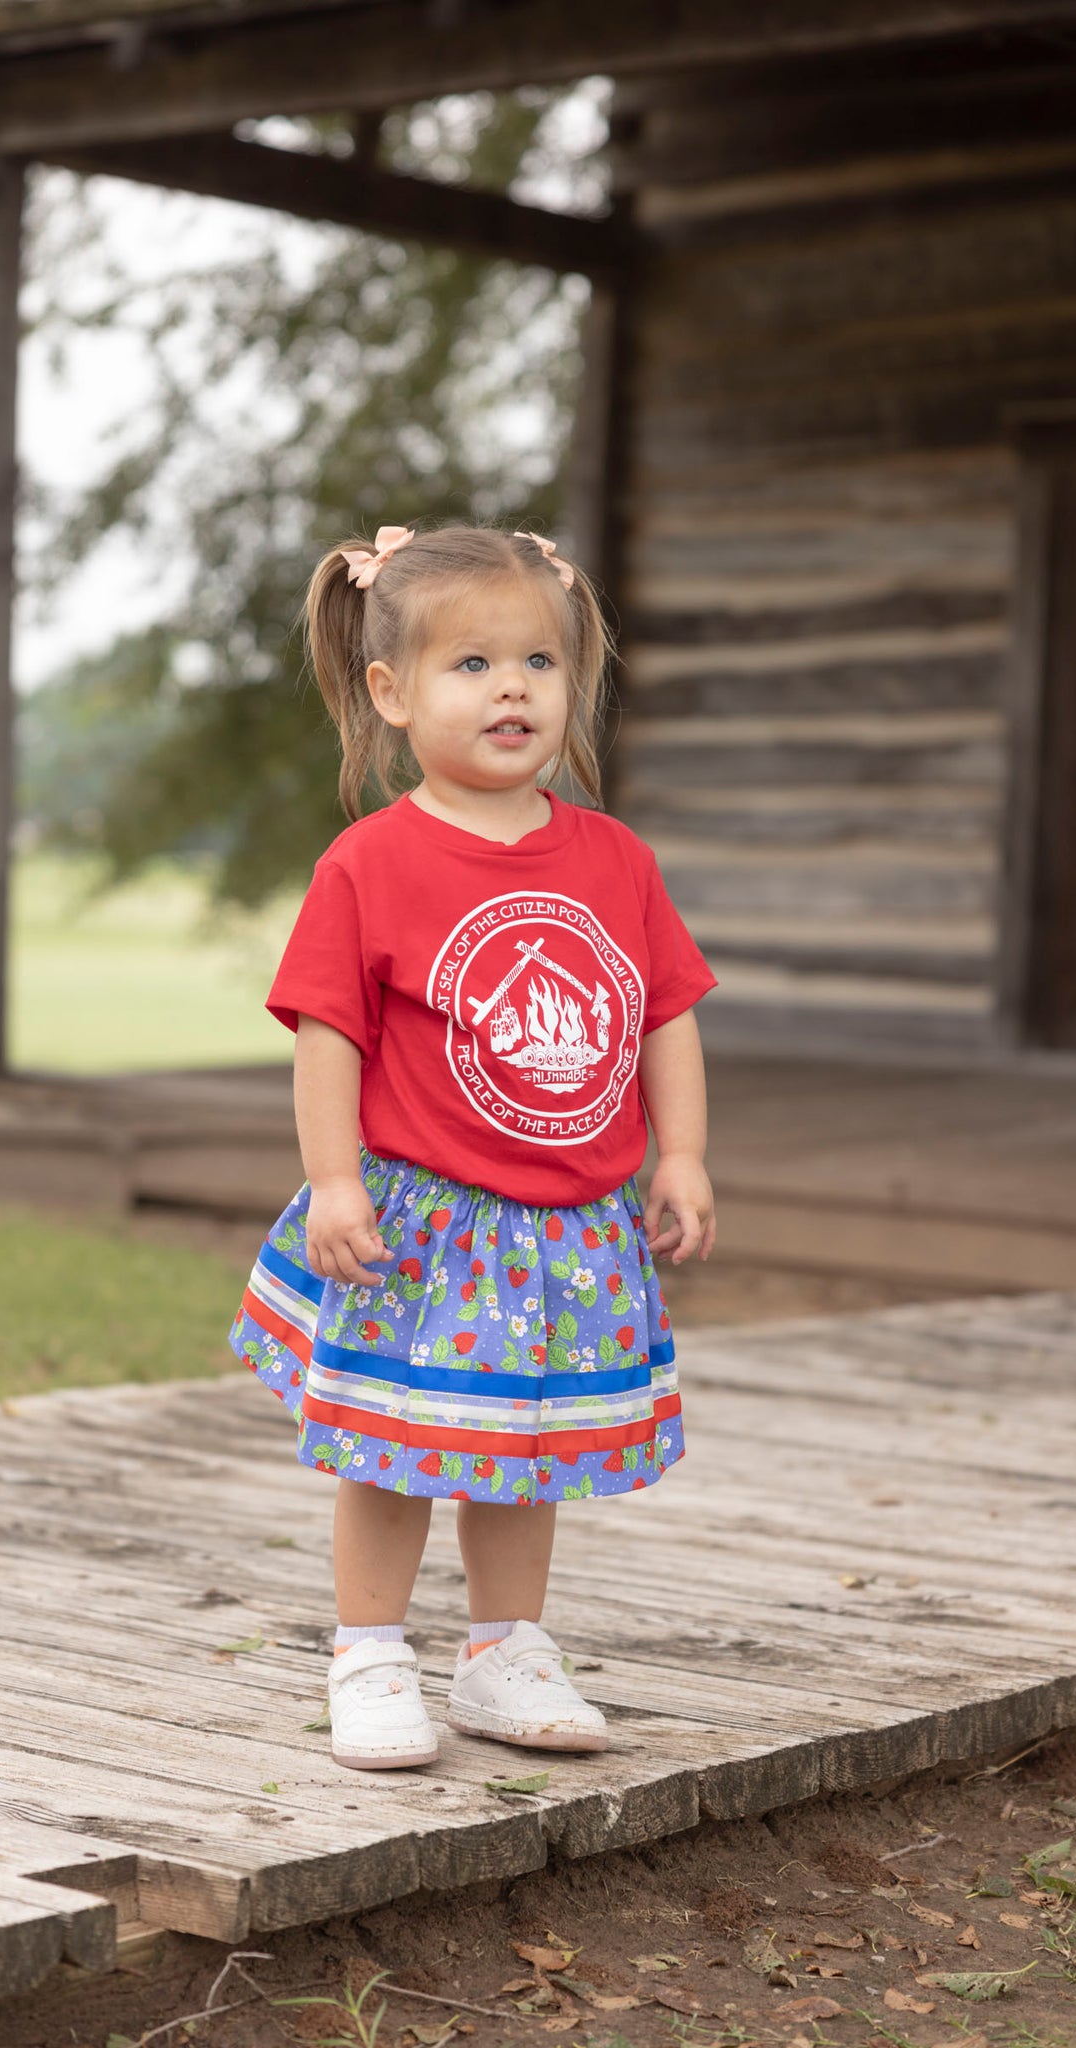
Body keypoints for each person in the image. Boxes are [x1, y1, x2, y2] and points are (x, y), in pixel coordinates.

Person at [229, 522, 716, 1771]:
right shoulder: (372, 860)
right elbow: (326, 1034)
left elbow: (663, 1012)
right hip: (425, 1218)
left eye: (539, 662)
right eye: (473, 665)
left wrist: (681, 1156)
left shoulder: (615, 858)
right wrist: (334, 1177)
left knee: (523, 1443)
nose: (513, 687)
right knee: (393, 1442)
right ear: (391, 694)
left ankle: (504, 1650)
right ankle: (370, 1650)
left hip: (567, 1222)